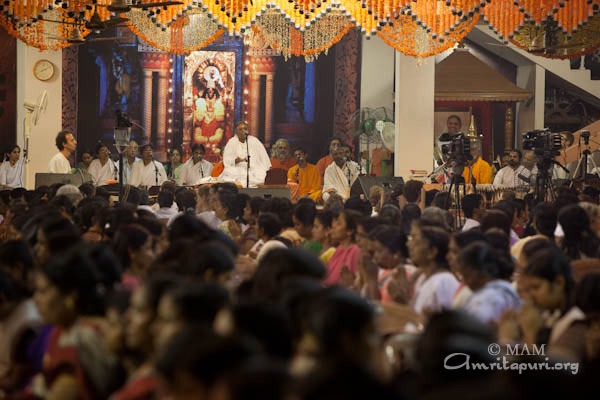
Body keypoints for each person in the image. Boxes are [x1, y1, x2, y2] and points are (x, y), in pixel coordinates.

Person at [458, 242, 520, 325]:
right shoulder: (506, 288)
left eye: (465, 275)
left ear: (475, 272)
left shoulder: (486, 299)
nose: (465, 282)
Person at [408, 224, 459, 314]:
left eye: (416, 243)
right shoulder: (423, 277)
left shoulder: (444, 282)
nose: (409, 245)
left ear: (432, 252)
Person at [220, 122, 271, 187]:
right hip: (237, 168)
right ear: (236, 131)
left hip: (254, 168)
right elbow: (227, 160)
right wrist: (237, 160)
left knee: (261, 174)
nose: (243, 131)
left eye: (245, 128)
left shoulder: (255, 141)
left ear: (248, 131)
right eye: (240, 129)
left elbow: (263, 157)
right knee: (231, 173)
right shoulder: (231, 142)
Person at [325, 210, 361, 285]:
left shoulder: (355, 251)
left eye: (339, 224)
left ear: (350, 231)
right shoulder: (340, 248)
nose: (333, 226)